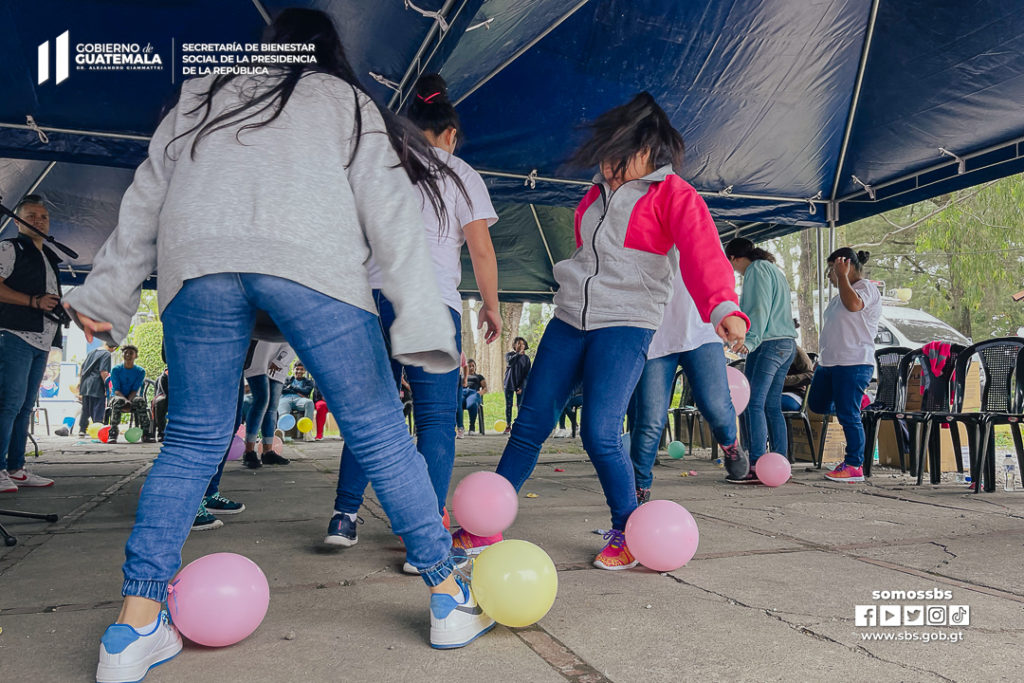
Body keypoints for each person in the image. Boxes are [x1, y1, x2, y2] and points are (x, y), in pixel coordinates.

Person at [63, 11, 493, 681]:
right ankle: (447, 593)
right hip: (309, 264)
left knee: (190, 440)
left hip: (196, 263)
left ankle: (134, 626)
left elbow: (146, 194)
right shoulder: (345, 99)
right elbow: (392, 211)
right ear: (331, 52)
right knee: (380, 429)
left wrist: (106, 295)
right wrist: (421, 322)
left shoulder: (204, 89)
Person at [451, 93, 748, 570]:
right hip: (569, 319)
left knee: (599, 430)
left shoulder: (674, 195)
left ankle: (627, 529)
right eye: (605, 156)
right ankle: (486, 525)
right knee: (529, 424)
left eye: (619, 155)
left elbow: (702, 254)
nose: (609, 166)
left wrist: (723, 308)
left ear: (648, 150)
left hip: (626, 324)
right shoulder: (594, 195)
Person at [331, 73, 501, 577]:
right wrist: (490, 307)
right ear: (450, 133)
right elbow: (481, 249)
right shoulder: (460, 172)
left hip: (371, 298)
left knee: (369, 413)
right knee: (433, 420)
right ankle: (422, 536)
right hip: (430, 301)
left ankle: (343, 517)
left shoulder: (381, 167)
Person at [628, 268, 742, 501]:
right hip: (654, 333)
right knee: (650, 419)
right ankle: (639, 487)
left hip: (702, 330)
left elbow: (716, 272)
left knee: (715, 406)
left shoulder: (700, 230)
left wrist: (730, 311)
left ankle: (730, 444)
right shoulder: (638, 233)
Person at [0, 193, 60, 492]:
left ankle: (15, 466)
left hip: (42, 338)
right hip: (13, 333)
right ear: (16, 220)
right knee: (8, 403)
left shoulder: (48, 256)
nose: (38, 220)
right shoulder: (9, 248)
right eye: (31, 215)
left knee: (24, 406)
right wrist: (33, 302)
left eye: (43, 217)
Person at [725, 238, 797, 482]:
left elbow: (759, 308)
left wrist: (751, 339)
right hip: (785, 343)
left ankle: (755, 463)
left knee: (753, 403)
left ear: (735, 258)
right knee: (771, 405)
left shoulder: (756, 270)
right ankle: (780, 462)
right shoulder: (773, 269)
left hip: (769, 343)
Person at [808, 248, 882, 482]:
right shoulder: (839, 294)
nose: (829, 274)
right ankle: (856, 404)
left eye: (832, 268)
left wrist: (841, 277)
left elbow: (854, 306)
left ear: (846, 265)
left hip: (854, 362)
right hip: (829, 363)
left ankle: (854, 465)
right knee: (817, 404)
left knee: (847, 414)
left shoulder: (866, 288)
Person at [242, 341, 292, 468]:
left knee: (272, 408)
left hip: (280, 363)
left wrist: (280, 360)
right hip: (259, 358)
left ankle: (268, 452)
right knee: (261, 400)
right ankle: (249, 451)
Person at [108, 345, 152, 443]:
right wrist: (125, 401)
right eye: (125, 352)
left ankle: (146, 434)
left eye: (131, 353)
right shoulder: (116, 370)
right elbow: (116, 390)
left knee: (140, 401)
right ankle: (113, 433)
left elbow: (135, 389)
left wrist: (129, 400)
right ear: (122, 354)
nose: (128, 355)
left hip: (132, 396)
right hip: (118, 396)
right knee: (118, 401)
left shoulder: (140, 371)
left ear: (136, 356)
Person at [79, 341, 117, 436]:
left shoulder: (92, 352)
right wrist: (107, 387)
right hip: (97, 384)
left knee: (86, 409)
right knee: (98, 408)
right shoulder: (106, 354)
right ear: (114, 348)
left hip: (86, 384)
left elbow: (82, 368)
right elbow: (103, 371)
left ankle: (82, 430)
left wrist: (80, 383)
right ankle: (98, 431)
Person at [503, 337, 531, 431]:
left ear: (525, 346)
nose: (520, 345)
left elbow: (527, 374)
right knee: (509, 405)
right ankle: (508, 425)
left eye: (522, 344)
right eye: (518, 343)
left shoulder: (526, 359)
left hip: (520, 385)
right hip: (509, 383)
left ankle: (519, 425)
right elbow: (510, 362)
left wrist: (522, 386)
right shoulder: (509, 355)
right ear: (514, 345)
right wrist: (518, 354)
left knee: (520, 405)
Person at [781, 342, 814, 411]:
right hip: (768, 392)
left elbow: (810, 375)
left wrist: (782, 380)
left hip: (792, 393)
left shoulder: (795, 350)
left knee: (764, 404)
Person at [457, 359, 486, 435]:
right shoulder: (462, 376)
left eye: (473, 366)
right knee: (457, 403)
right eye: (469, 366)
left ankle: (472, 428)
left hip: (473, 393)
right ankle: (460, 428)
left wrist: (479, 393)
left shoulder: (479, 377)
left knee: (472, 404)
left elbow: (485, 388)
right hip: (462, 392)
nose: (471, 368)